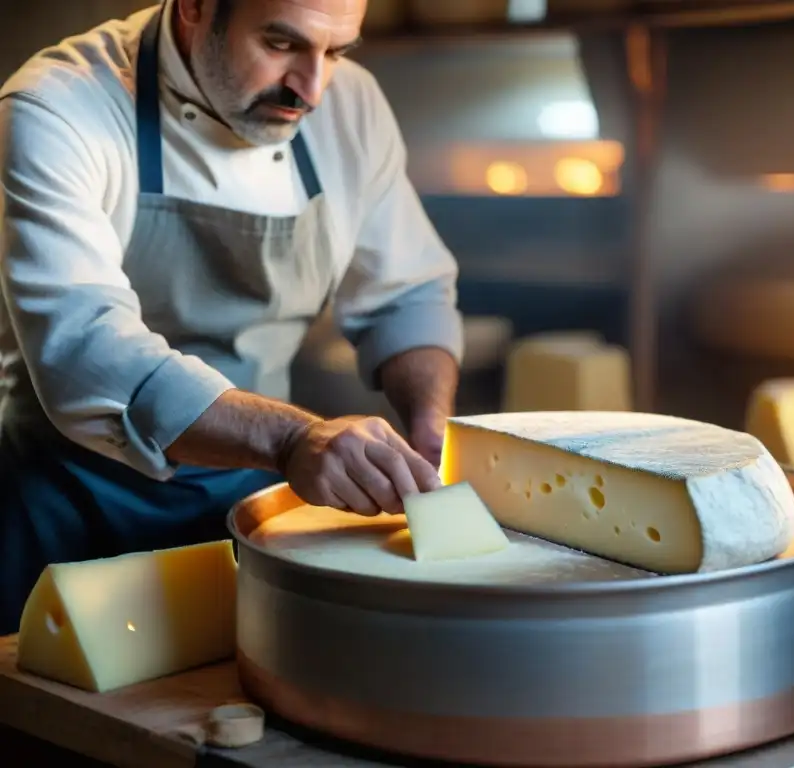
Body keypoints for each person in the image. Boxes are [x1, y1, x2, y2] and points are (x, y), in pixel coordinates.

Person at [0, 0, 464, 633]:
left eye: (336, 52)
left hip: (254, 501)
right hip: (67, 507)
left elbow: (405, 295)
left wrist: (430, 431)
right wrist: (294, 438)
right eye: (280, 44)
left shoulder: (352, 107)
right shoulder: (57, 108)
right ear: (194, 7)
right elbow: (86, 354)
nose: (313, 88)